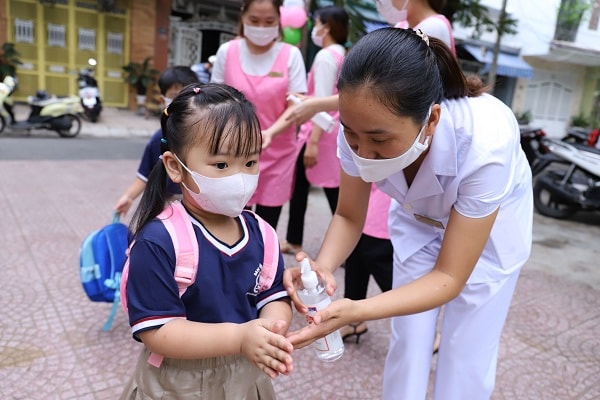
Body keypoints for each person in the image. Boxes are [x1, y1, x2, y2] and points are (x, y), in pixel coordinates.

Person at [284, 27, 533, 400]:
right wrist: (323, 266)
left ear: (431, 121)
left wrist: (359, 310)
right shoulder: (359, 128)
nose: (363, 153)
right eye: (353, 137)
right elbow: (350, 216)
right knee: (408, 338)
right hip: (419, 221)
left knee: (467, 350)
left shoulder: (485, 144)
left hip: (490, 233)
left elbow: (449, 277)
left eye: (380, 141)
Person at [119, 83, 294, 400]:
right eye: (222, 165)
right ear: (175, 167)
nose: (239, 177)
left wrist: (272, 329)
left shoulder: (263, 235)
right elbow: (158, 331)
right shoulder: (159, 241)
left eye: (250, 163)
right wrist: (240, 337)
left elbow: (273, 296)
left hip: (245, 378)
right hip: (177, 383)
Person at [211, 0, 307, 230]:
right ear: (243, 17)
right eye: (254, 20)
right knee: (235, 218)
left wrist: (271, 132)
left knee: (266, 222)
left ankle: (265, 262)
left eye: (269, 21)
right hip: (233, 150)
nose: (261, 27)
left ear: (279, 21)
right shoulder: (228, 51)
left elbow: (298, 103)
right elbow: (214, 100)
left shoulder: (291, 55)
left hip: (278, 152)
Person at [280, 6, 349, 255]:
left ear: (326, 27)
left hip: (320, 133)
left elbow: (321, 102)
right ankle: (295, 239)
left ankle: (347, 246)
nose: (313, 29)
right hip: (332, 132)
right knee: (319, 187)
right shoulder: (342, 54)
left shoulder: (324, 57)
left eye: (316, 23)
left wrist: (314, 142)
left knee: (330, 191)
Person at [114, 66, 199, 216]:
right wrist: (128, 197)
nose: (181, 102)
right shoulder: (158, 141)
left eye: (186, 96)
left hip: (200, 208)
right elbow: (144, 176)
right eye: (174, 96)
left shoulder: (205, 138)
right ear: (163, 100)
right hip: (169, 208)